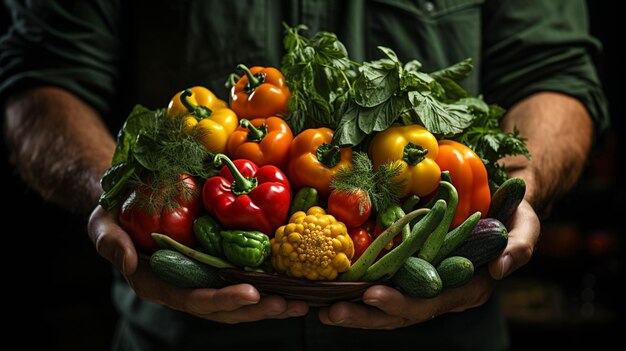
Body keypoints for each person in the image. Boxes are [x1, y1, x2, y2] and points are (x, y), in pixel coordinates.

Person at [0, 0, 608, 350]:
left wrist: (514, 192)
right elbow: (42, 78)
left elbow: (555, 72)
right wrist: (126, 196)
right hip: (178, 336)